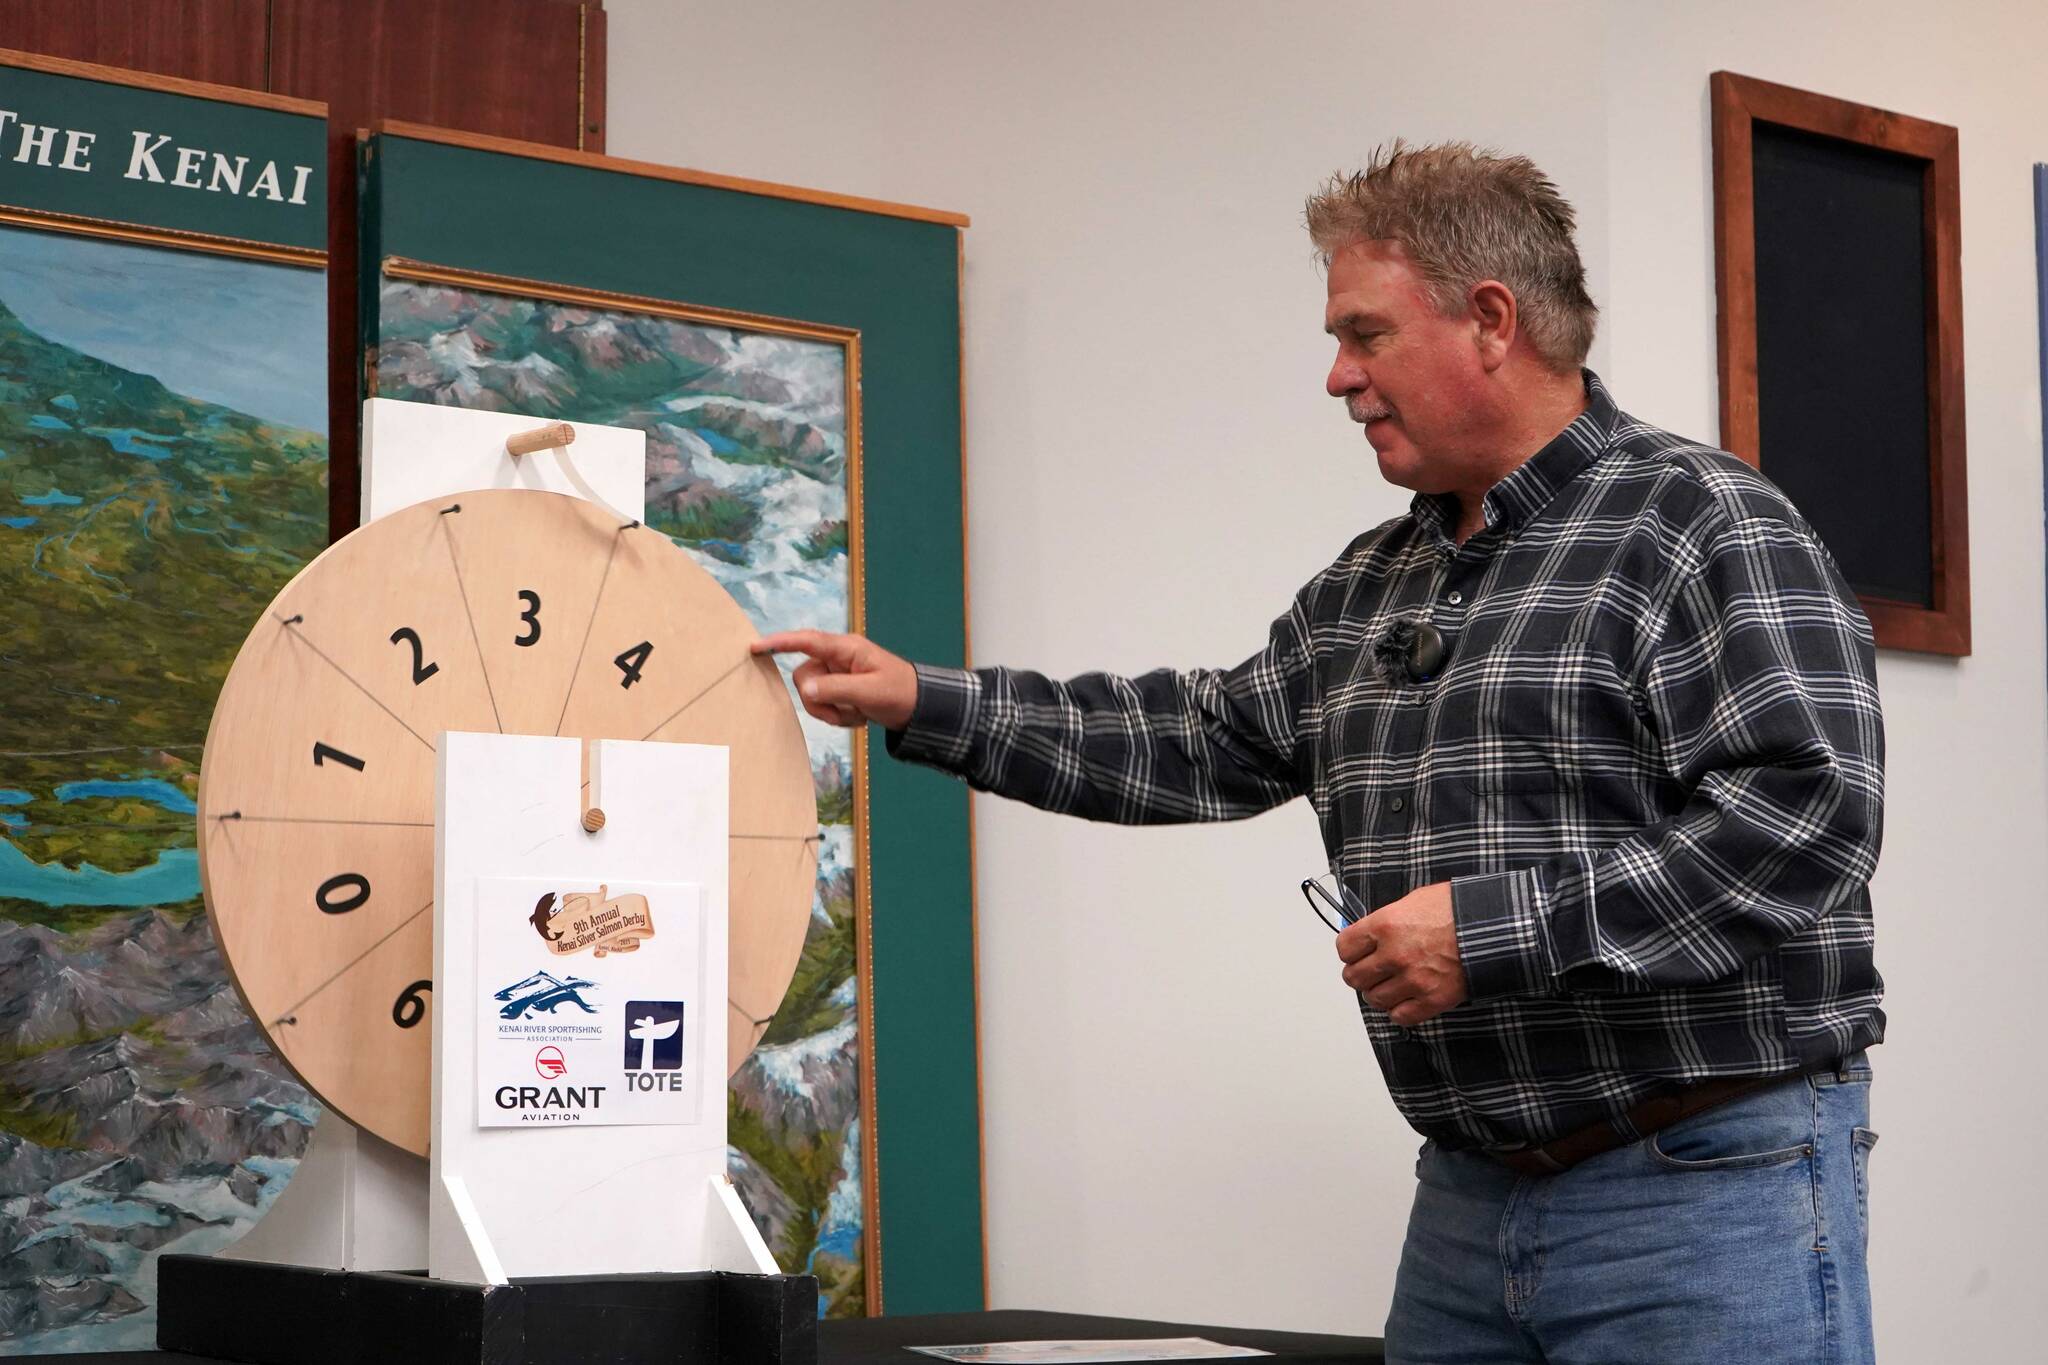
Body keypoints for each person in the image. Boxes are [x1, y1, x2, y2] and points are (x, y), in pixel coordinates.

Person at [755, 141, 1884, 1365]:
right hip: (1467, 1202)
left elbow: (1801, 824)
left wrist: (1491, 934)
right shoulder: (1369, 584)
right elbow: (1199, 739)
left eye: (1364, 333)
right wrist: (925, 701)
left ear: (1490, 319)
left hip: (1704, 1190)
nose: (1337, 377)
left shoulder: (1701, 522)